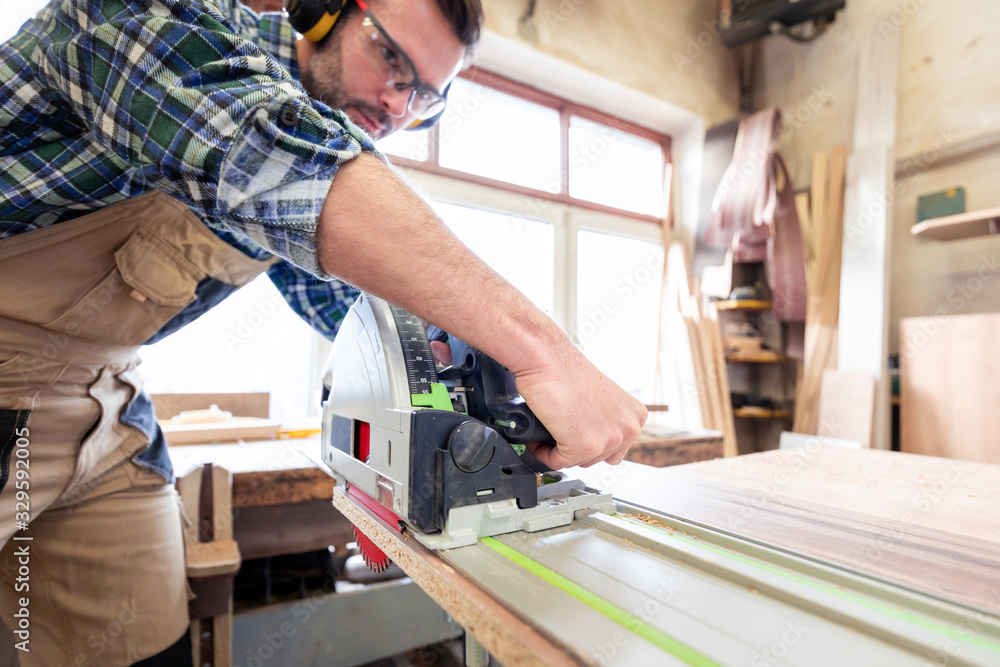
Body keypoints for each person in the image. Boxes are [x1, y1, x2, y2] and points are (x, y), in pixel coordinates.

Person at [0, 0, 647, 663]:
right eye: (393, 58)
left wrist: (491, 386)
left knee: (142, 647)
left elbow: (360, 309)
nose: (400, 107)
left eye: (426, 96)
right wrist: (543, 351)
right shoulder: (163, 19)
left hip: (105, 397)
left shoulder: (313, 158)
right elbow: (275, 159)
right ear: (320, 12)